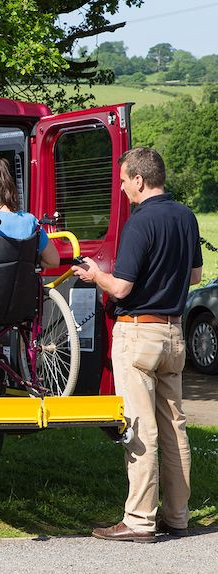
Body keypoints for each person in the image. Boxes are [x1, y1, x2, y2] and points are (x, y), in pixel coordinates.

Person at [71, 147, 202, 543]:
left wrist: (97, 276)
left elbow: (123, 287)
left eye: (125, 180)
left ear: (140, 180)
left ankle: (139, 520)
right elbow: (195, 275)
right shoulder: (186, 216)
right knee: (175, 429)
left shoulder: (139, 223)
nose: (123, 187)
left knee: (140, 427)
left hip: (138, 333)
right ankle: (177, 517)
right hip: (173, 335)